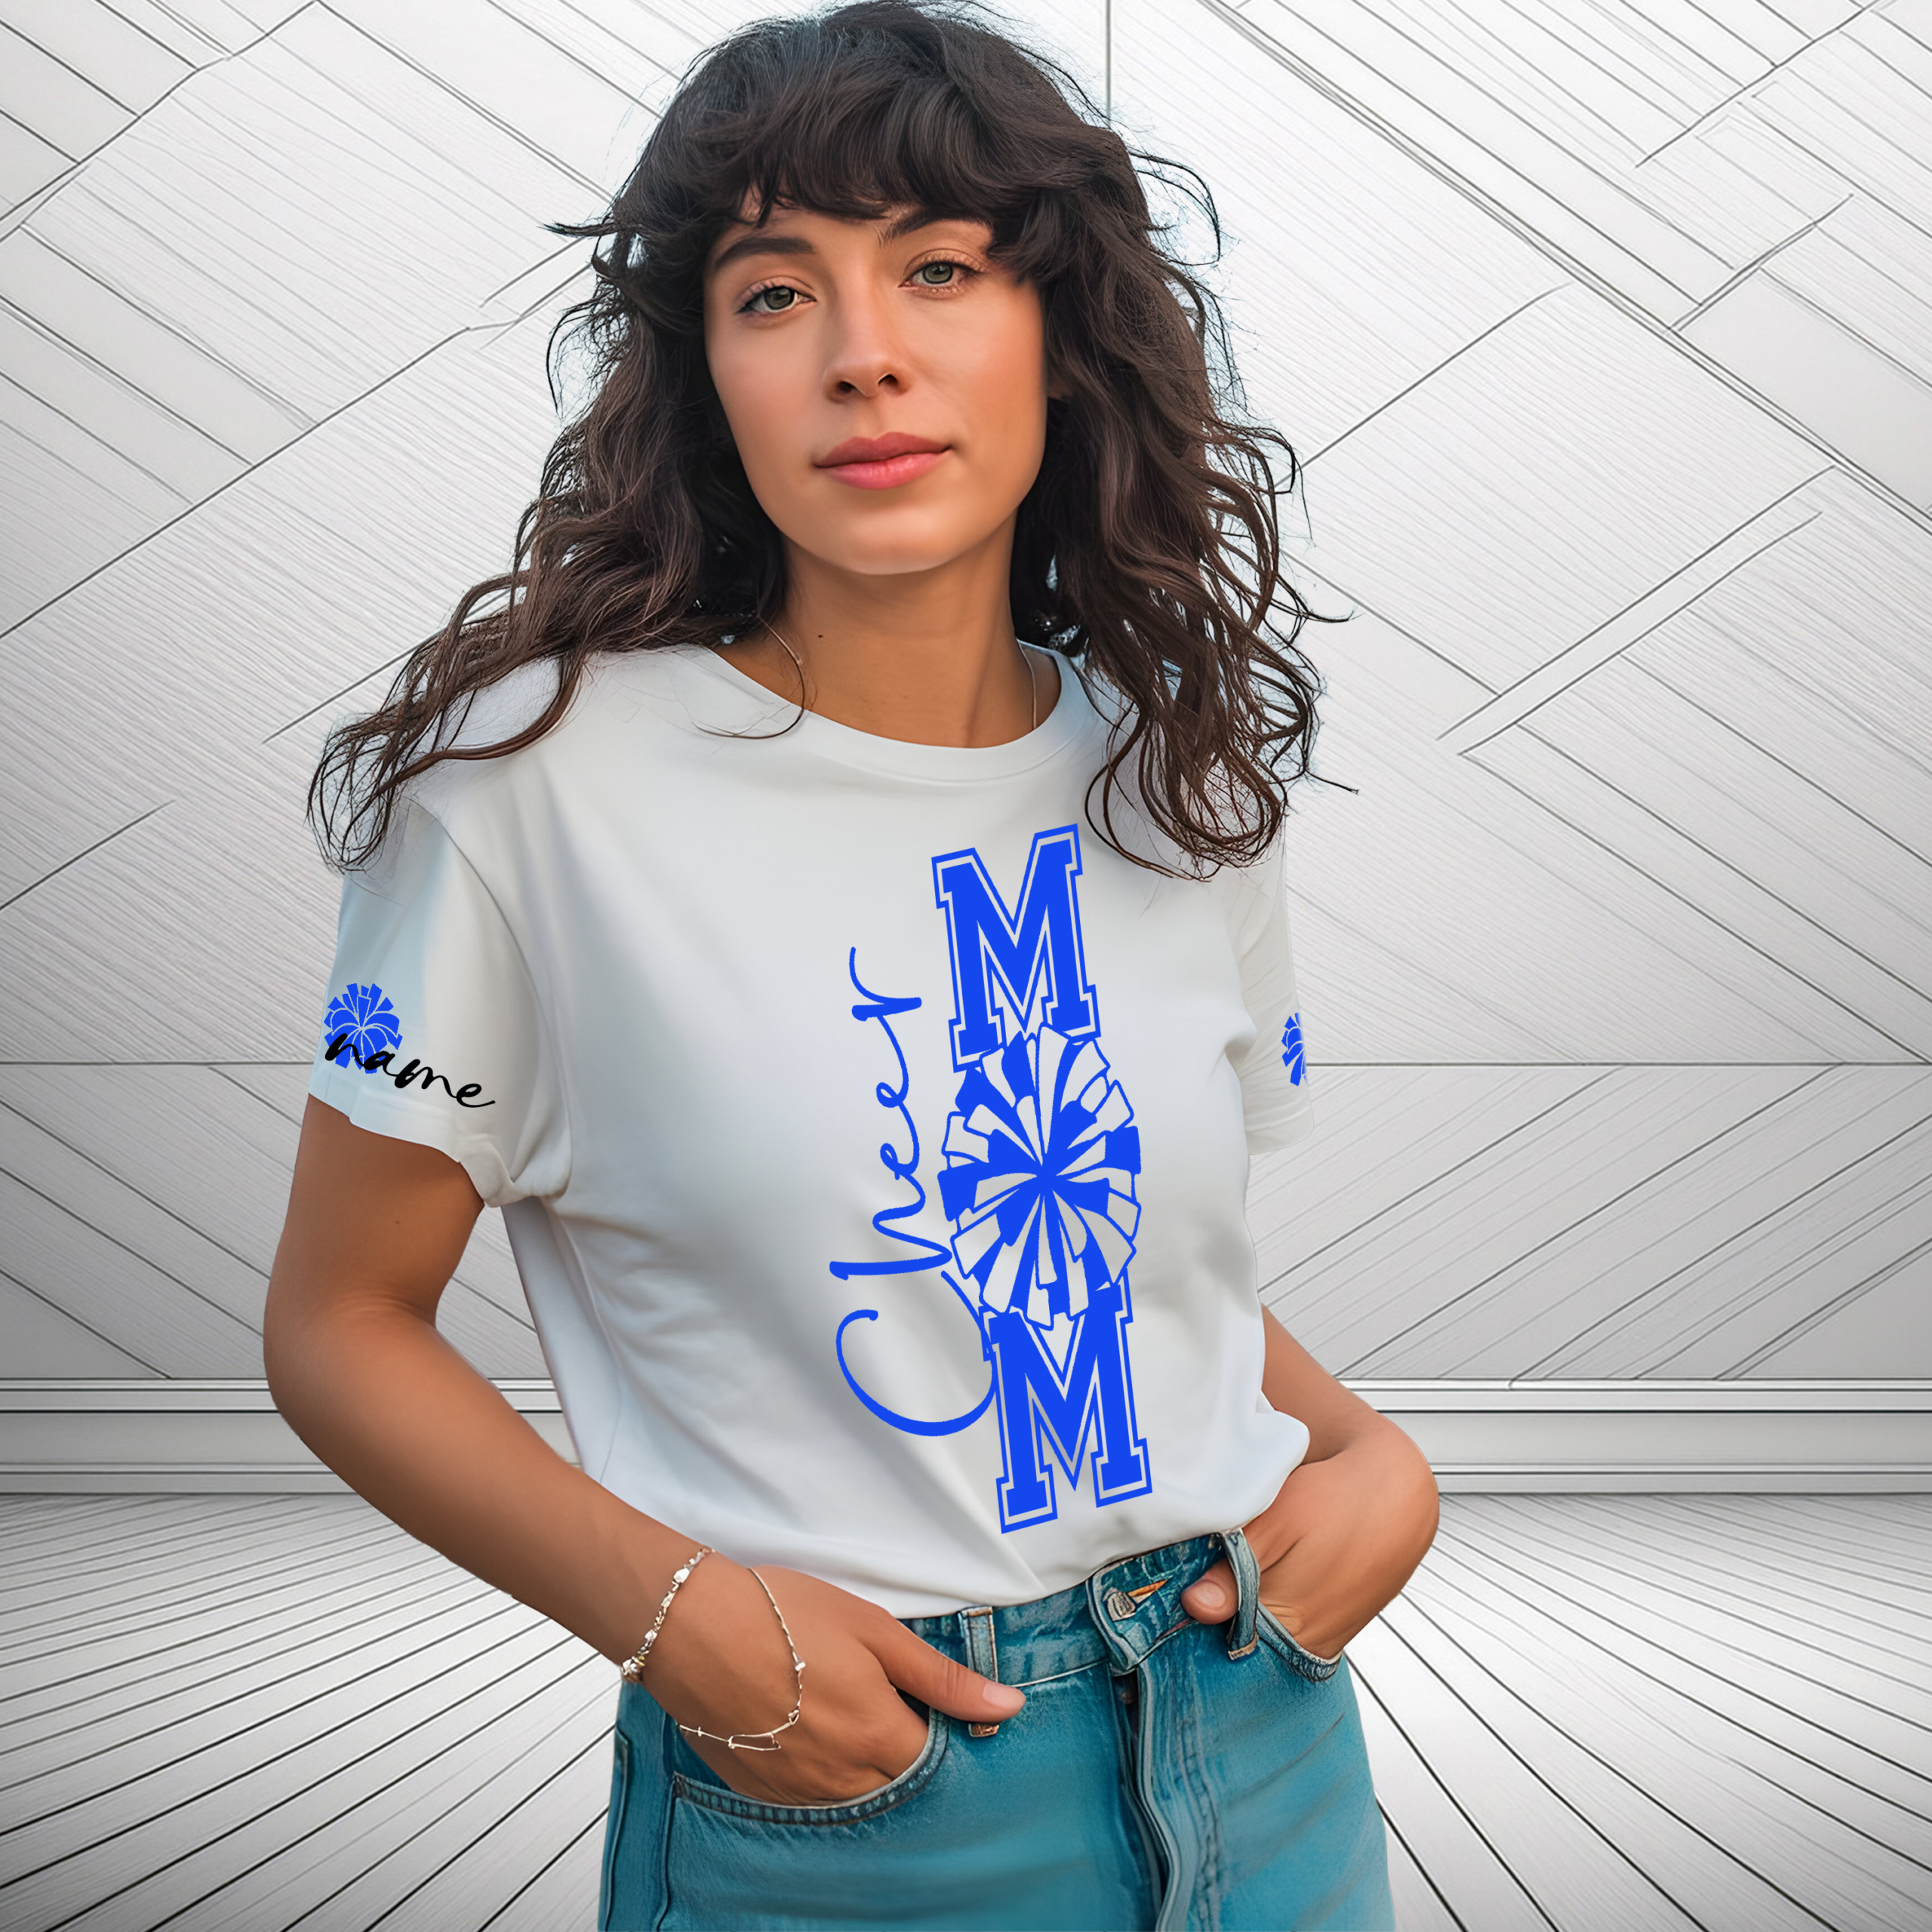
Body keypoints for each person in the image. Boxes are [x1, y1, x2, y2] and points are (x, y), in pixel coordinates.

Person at [265, 4, 1438, 1926]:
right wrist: (687, 1624)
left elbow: (1128, 1245)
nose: (862, 352)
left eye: (940, 269)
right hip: (863, 1793)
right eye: (772, 288)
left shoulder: (1175, 782)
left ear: (1063, 334)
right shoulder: (533, 797)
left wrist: (1368, 1450)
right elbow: (338, 1323)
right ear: (703, 370)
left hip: (1266, 1728)